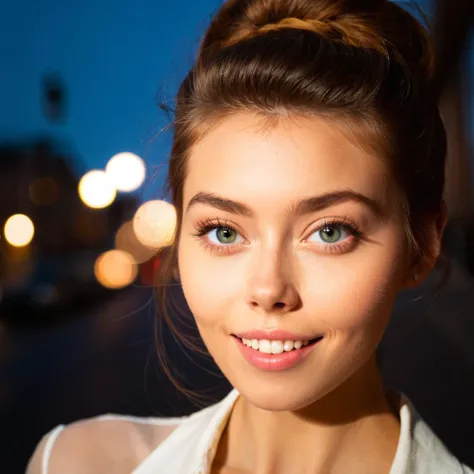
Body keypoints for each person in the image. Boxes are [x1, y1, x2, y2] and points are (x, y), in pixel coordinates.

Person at [26, 0, 474, 472]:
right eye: (224, 231)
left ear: (423, 244)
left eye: (329, 232)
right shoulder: (77, 462)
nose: (268, 290)